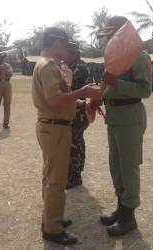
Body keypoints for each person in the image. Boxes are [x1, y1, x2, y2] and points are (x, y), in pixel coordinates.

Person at [32, 27, 101, 245]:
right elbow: (54, 100)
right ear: (57, 43)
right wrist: (84, 92)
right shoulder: (50, 66)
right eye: (65, 45)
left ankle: (52, 218)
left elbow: (58, 98)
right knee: (56, 180)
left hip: (52, 126)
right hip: (55, 128)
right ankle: (52, 228)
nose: (66, 50)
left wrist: (81, 102)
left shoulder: (44, 63)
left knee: (50, 175)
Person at [95, 16, 152, 237]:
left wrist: (116, 83)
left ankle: (129, 216)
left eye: (110, 35)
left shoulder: (139, 56)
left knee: (129, 165)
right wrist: (99, 96)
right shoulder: (114, 58)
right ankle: (121, 207)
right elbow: (108, 84)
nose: (107, 39)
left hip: (130, 114)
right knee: (116, 164)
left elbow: (145, 90)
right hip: (115, 115)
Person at [64, 42, 91, 189]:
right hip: (73, 110)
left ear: (73, 54)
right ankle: (71, 172)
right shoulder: (71, 66)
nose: (64, 56)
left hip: (79, 112)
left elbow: (67, 85)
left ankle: (75, 175)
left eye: (67, 53)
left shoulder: (79, 67)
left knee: (76, 142)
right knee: (72, 142)